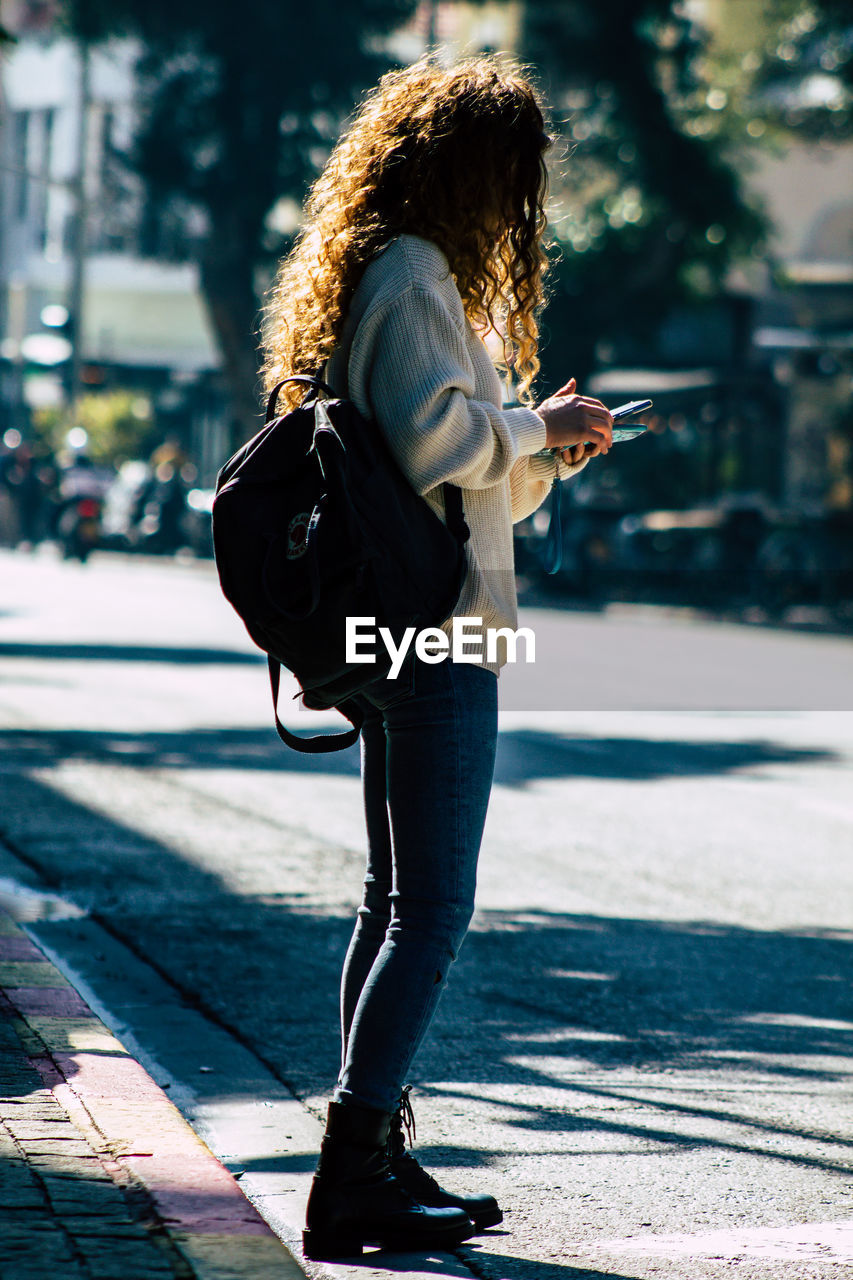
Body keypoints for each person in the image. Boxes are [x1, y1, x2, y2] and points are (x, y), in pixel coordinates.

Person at [262, 53, 614, 1262]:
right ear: (476, 171)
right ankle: (354, 1160)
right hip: (438, 633)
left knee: (391, 899)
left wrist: (546, 448)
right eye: (515, 176)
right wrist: (536, 423)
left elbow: (460, 478)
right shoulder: (413, 273)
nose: (522, 204)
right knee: (434, 908)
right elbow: (431, 440)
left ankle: (373, 1145)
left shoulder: (399, 272)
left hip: (417, 614)